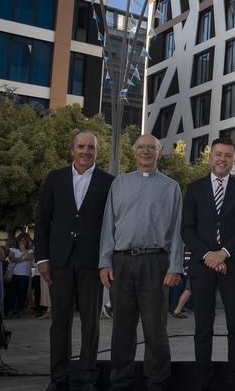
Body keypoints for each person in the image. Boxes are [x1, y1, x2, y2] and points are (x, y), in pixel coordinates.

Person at [98, 134, 184, 391]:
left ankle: (156, 382)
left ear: (159, 152)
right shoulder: (119, 184)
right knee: (122, 328)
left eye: (151, 148)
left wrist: (175, 266)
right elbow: (107, 227)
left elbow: (178, 229)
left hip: (155, 264)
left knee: (155, 328)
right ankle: (120, 381)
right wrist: (105, 261)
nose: (146, 151)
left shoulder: (171, 187)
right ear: (134, 152)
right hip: (122, 263)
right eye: (141, 147)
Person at [34, 129, 114, 391]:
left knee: (91, 322)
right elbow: (43, 220)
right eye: (81, 147)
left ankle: (88, 375)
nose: (85, 152)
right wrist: (42, 259)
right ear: (72, 150)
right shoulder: (55, 179)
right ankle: (59, 376)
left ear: (97, 151)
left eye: (90, 147)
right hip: (60, 260)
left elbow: (112, 225)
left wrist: (107, 261)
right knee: (60, 321)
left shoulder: (108, 182)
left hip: (93, 263)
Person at [181, 136, 235, 391]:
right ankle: (204, 381)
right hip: (202, 267)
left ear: (233, 159)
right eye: (218, 154)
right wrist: (208, 256)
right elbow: (187, 229)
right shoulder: (194, 188)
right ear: (210, 156)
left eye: (228, 155)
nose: (222, 159)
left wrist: (223, 253)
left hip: (234, 266)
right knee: (203, 326)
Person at [8, 234, 34, 317]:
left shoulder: (30, 250)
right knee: (12, 293)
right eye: (20, 240)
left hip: (25, 275)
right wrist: (22, 257)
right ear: (17, 241)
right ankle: (10, 310)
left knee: (22, 293)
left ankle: (20, 311)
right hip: (14, 274)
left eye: (24, 240)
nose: (22, 242)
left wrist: (19, 258)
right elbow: (11, 258)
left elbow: (29, 257)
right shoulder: (13, 249)